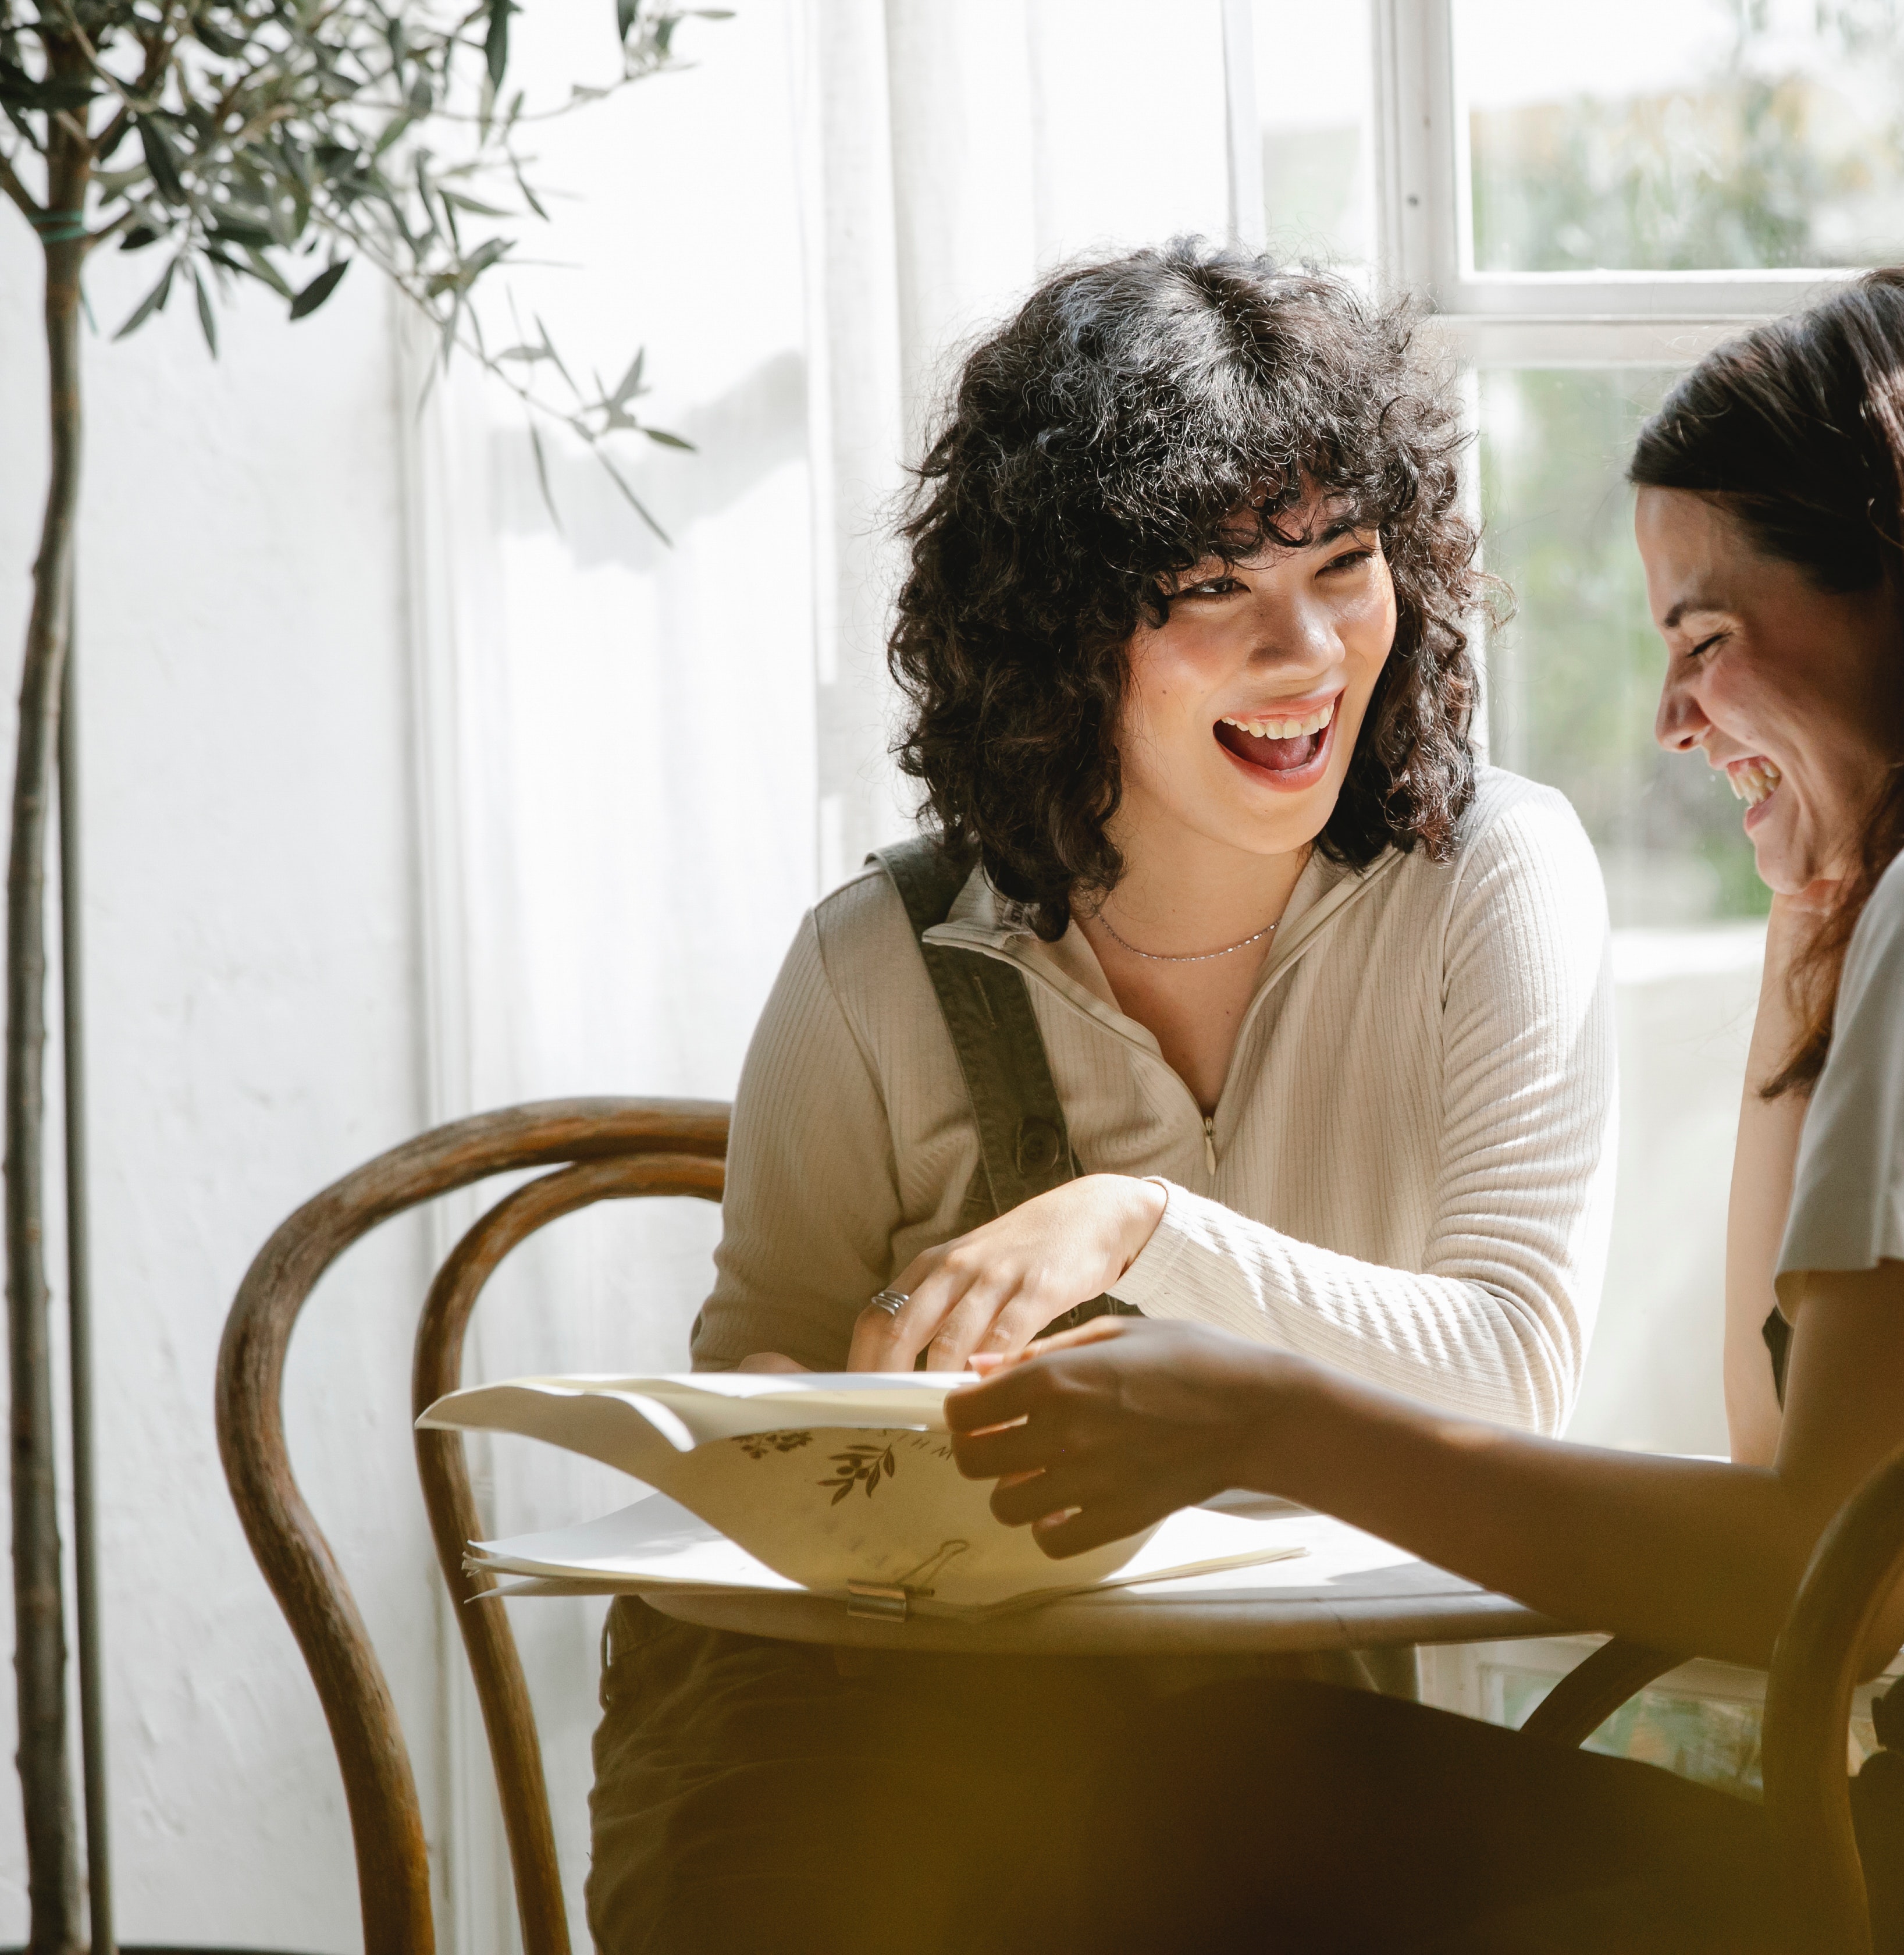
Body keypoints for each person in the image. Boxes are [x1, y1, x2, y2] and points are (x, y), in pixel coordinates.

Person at [946, 266, 1904, 1954]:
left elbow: (1829, 1586)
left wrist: (1265, 1421)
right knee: (1263, 1792)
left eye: (1705, 642)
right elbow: (1784, 1464)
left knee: (1210, 1798)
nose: (1667, 719)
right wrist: (1808, 933)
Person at [583, 240, 1617, 1954]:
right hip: (902, 1757)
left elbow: (1517, 1376)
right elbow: (756, 1363)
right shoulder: (875, 965)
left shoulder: (1492, 877)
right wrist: (826, 1414)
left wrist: (1136, 1225)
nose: (1309, 657)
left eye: (1348, 566)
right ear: (1060, 635)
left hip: (1297, 1769)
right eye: (1213, 591)